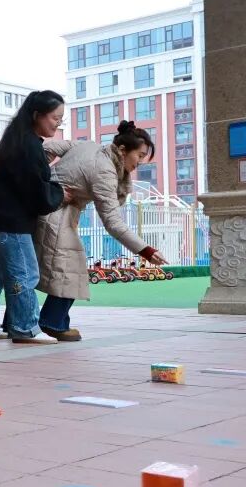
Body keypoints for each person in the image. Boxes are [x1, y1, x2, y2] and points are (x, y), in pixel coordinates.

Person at [35, 121, 166, 340]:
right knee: (71, 268)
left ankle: (22, 322)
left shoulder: (89, 146)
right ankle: (52, 322)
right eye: (139, 156)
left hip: (50, 209)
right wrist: (145, 250)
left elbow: (46, 150)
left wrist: (42, 181)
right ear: (123, 150)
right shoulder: (105, 171)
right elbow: (112, 222)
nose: (140, 162)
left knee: (29, 270)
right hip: (54, 213)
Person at [0, 90, 70, 344]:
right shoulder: (30, 146)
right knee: (23, 273)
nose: (58, 124)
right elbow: (38, 193)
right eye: (55, 118)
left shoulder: (15, 139)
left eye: (61, 119)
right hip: (11, 223)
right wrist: (60, 193)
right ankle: (24, 327)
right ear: (37, 115)